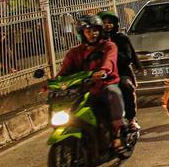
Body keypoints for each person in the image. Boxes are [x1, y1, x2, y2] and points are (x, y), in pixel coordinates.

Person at [58, 14, 128, 155]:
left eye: (95, 30)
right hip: (84, 89)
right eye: (88, 31)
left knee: (113, 93)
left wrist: (103, 71)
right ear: (82, 33)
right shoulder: (75, 52)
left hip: (105, 85)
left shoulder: (109, 46)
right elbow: (64, 72)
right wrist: (52, 83)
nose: (92, 33)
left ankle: (117, 134)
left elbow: (109, 61)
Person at [99, 11, 142, 131]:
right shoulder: (95, 42)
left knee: (125, 86)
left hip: (121, 72)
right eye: (104, 23)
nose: (108, 25)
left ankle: (131, 118)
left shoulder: (120, 39)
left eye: (110, 22)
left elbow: (127, 57)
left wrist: (111, 57)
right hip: (101, 76)